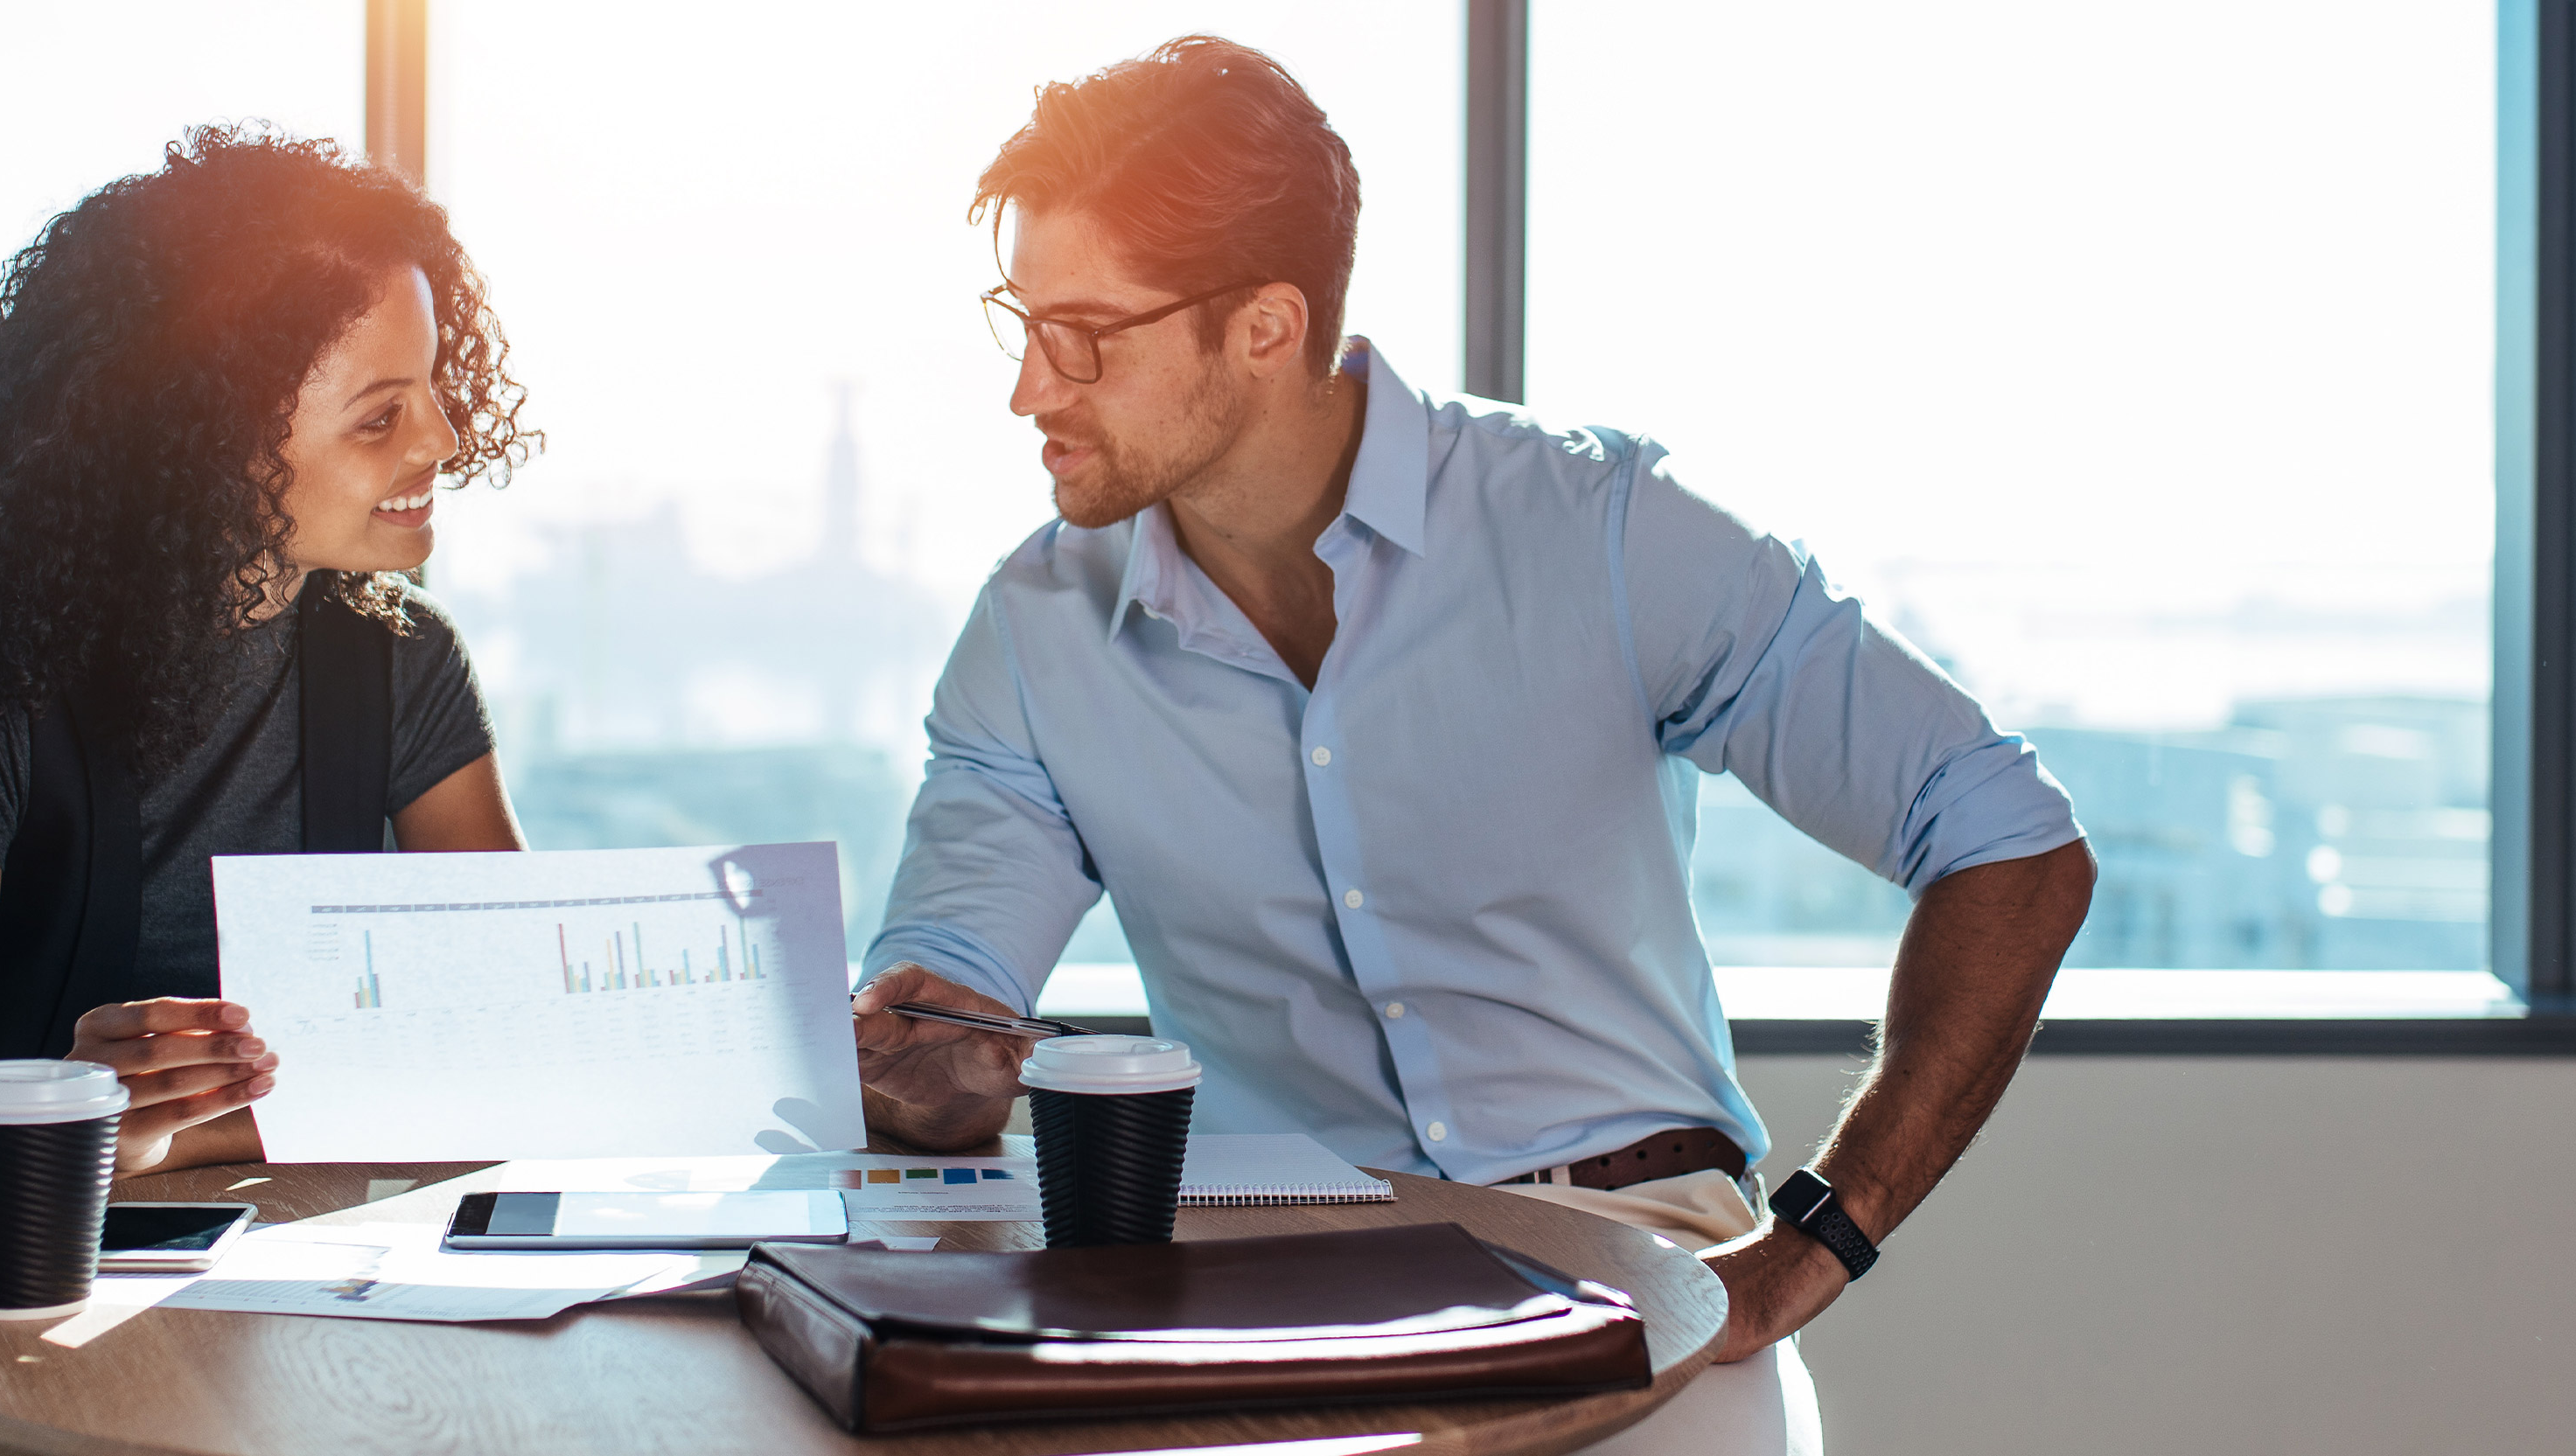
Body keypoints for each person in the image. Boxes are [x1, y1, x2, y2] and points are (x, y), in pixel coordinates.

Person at [848, 37, 2098, 1454]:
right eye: (1020, 321)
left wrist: (1812, 1246)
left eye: (1084, 336)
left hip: (1630, 1254)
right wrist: (919, 1055)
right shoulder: (1034, 628)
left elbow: (2010, 840)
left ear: (1263, 326)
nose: (1029, 389)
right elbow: (951, 1000)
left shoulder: (1603, 532)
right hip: (1256, 1291)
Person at [0, 126, 535, 1456]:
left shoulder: (403, 662)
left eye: (433, 387)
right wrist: (70, 1125)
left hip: (228, 1294)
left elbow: (514, 1035)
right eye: (380, 411)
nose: (446, 435)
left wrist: (171, 1139)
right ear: (208, 439)